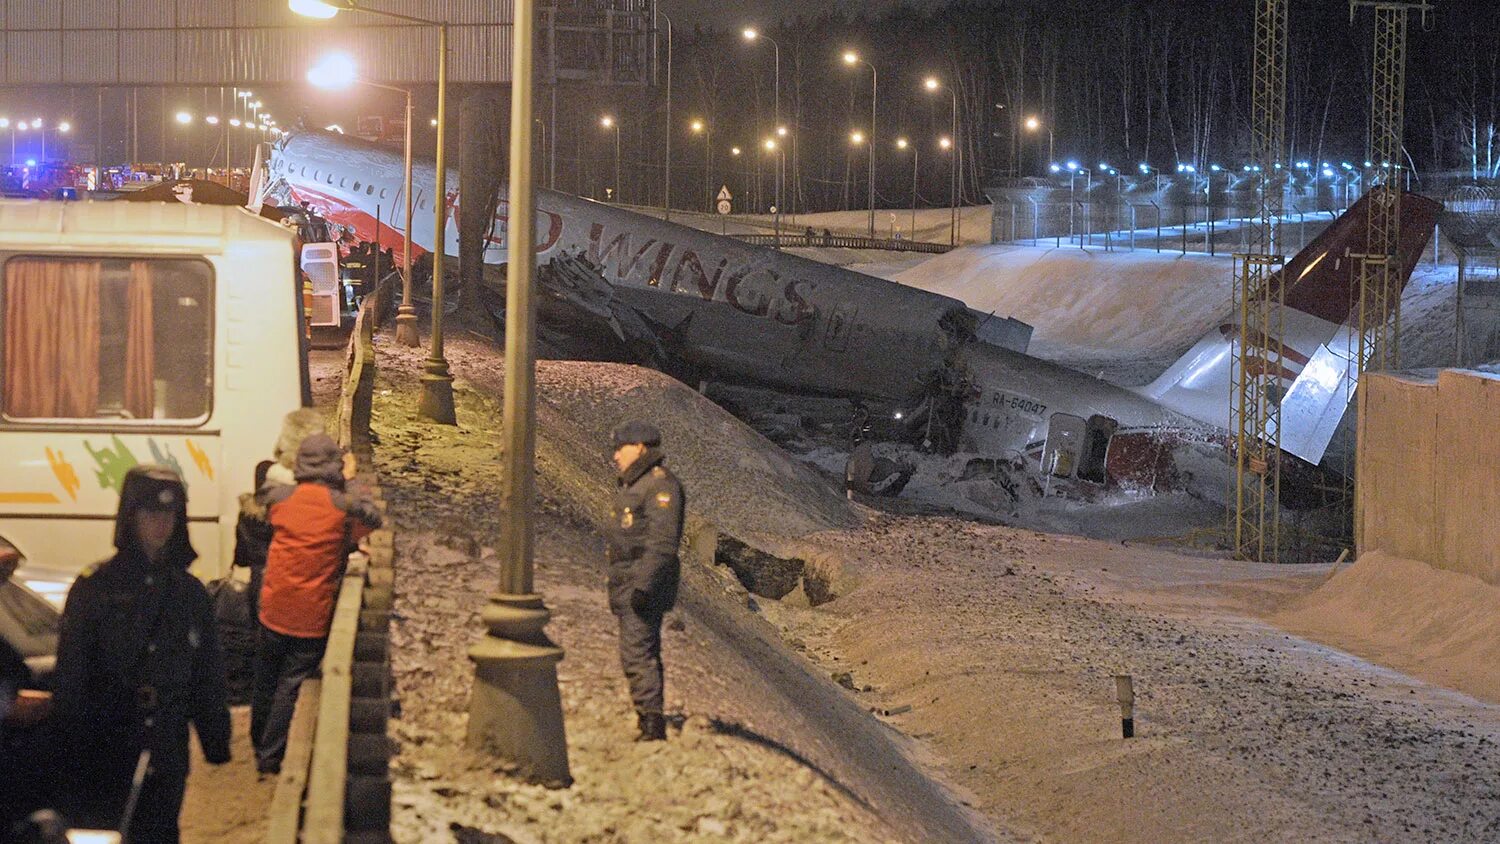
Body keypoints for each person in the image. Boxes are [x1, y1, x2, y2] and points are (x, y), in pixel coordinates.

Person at [51, 466, 230, 842]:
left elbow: (207, 671)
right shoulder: (95, 587)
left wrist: (216, 737)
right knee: (108, 828)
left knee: (161, 830)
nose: (161, 523)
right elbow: (74, 672)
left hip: (167, 740)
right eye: (150, 513)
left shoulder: (188, 592)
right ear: (130, 516)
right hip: (109, 738)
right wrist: (68, 744)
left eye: (169, 513)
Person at [252, 434, 381, 775]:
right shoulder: (341, 505)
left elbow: (261, 500)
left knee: (265, 680)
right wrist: (351, 480)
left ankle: (256, 743)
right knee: (289, 685)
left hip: (272, 607)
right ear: (334, 465)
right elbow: (372, 518)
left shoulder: (281, 498)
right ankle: (269, 757)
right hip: (312, 615)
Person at [604, 421, 686, 742]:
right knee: (636, 651)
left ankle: (651, 723)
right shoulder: (637, 486)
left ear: (639, 448)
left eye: (620, 448)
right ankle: (648, 715)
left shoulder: (659, 487)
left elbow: (662, 544)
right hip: (629, 584)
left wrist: (643, 586)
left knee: (638, 652)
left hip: (642, 588)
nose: (615, 456)